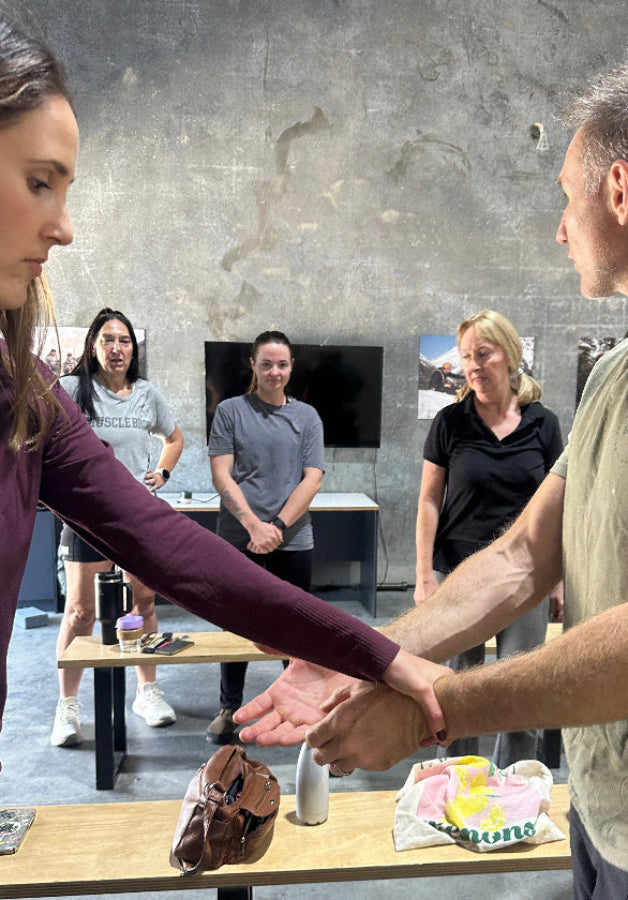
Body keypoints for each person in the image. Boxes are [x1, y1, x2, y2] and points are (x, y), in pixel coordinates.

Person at [235, 60, 628, 898]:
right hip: (605, 816)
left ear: (618, 190)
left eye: (565, 200)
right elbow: (525, 555)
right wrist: (367, 653)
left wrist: (435, 707)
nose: (559, 231)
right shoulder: (616, 373)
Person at [0, 13, 446, 768]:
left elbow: (164, 540)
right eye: (40, 182)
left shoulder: (27, 392)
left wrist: (368, 649)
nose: (65, 227)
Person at [415, 309, 563, 766]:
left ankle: (512, 790)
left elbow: (558, 506)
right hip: (461, 574)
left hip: (526, 574)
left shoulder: (543, 424)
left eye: (484, 353)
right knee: (459, 692)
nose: (474, 365)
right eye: (466, 357)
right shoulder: (450, 422)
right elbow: (428, 501)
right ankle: (461, 788)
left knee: (522, 692)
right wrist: (423, 575)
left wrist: (558, 578)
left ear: (510, 355)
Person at [51, 308, 184, 746]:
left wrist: (161, 474)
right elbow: (43, 438)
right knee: (81, 612)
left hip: (138, 516)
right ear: (93, 346)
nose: (116, 348)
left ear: (133, 348)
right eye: (107, 339)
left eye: (124, 340)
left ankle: (146, 691)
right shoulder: (71, 389)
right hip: (86, 516)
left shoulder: (146, 394)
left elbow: (174, 438)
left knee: (141, 606)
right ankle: (67, 706)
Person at [206, 330, 324, 744]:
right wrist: (254, 527)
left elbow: (313, 478)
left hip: (293, 540)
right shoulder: (230, 412)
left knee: (296, 630)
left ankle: (297, 707)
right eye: (267, 363)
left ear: (291, 368)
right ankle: (229, 706)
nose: (275, 371)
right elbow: (222, 473)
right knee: (235, 625)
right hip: (239, 540)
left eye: (283, 364)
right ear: (253, 365)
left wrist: (276, 528)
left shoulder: (307, 417)